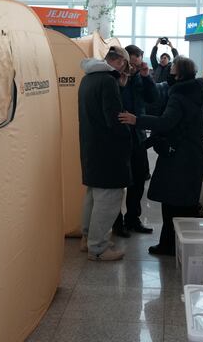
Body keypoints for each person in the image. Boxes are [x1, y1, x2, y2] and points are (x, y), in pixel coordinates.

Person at [119, 56, 203, 255]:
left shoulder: (178, 96)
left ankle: (168, 245)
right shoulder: (197, 92)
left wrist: (136, 120)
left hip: (178, 157)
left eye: (173, 67)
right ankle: (184, 245)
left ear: (179, 73)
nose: (169, 70)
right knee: (186, 203)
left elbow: (166, 122)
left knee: (171, 202)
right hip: (192, 154)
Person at [79, 46, 132, 261]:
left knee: (92, 196)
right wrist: (127, 134)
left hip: (91, 146)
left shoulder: (87, 79)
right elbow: (114, 119)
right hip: (108, 150)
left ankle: (87, 239)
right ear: (119, 62)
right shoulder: (108, 81)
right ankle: (98, 248)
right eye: (126, 66)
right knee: (109, 198)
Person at [112, 45, 159, 237]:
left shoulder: (141, 77)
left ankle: (133, 218)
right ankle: (116, 223)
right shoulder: (113, 78)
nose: (133, 67)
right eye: (130, 63)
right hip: (118, 136)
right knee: (117, 182)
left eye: (137, 63)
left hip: (138, 135)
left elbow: (153, 98)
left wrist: (147, 77)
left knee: (139, 179)